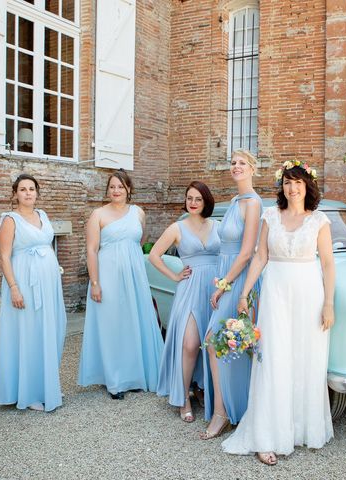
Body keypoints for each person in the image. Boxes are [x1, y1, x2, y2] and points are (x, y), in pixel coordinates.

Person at [221, 160, 335, 465]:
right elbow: (260, 256)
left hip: (310, 294)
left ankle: (297, 429)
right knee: (273, 359)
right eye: (287, 182)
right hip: (275, 293)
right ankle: (267, 434)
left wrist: (328, 304)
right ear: (281, 186)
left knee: (304, 360)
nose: (292, 187)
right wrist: (244, 292)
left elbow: (327, 264)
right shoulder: (271, 216)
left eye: (297, 182)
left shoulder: (319, 221)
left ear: (307, 186)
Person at [78, 171, 164, 399]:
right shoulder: (98, 214)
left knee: (133, 322)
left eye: (121, 187)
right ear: (108, 190)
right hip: (107, 276)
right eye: (112, 187)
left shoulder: (138, 213)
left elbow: (140, 240)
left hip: (134, 276)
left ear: (128, 189)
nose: (116, 191)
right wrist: (95, 283)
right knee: (112, 325)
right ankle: (114, 380)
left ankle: (133, 375)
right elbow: (91, 250)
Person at [201, 149, 262, 440]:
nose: (236, 167)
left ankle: (231, 411)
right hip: (225, 272)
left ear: (253, 169)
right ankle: (224, 410)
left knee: (221, 342)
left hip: (239, 279)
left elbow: (248, 250)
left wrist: (224, 285)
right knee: (220, 342)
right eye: (233, 163)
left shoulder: (253, 203)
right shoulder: (234, 201)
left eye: (242, 163)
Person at [0, 174, 67, 412]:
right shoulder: (10, 220)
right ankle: (29, 392)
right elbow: (5, 256)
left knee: (49, 331)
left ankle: (47, 385)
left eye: (32, 189)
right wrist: (14, 288)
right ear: (15, 193)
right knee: (28, 334)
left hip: (48, 285)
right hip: (24, 283)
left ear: (37, 193)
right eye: (23, 189)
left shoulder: (42, 215)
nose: (28, 193)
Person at [150, 181, 220, 423]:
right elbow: (154, 255)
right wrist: (175, 276)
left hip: (214, 290)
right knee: (190, 344)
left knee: (212, 343)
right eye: (189, 198)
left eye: (198, 198)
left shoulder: (217, 226)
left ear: (206, 201)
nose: (192, 203)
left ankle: (202, 387)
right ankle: (184, 397)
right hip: (190, 289)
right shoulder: (177, 228)